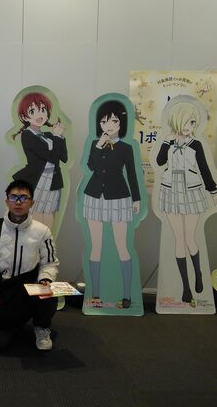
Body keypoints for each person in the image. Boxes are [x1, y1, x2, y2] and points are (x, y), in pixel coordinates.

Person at [0, 179, 59, 351]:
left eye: (23, 197)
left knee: (49, 294)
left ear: (32, 202)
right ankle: (9, 323)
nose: (18, 202)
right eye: (13, 197)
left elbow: (50, 263)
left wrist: (46, 279)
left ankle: (41, 327)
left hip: (27, 290)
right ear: (7, 201)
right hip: (1, 289)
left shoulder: (42, 231)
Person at [156, 101, 217, 303]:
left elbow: (204, 169)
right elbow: (160, 161)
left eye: (193, 122)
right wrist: (166, 142)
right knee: (179, 239)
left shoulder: (196, 144)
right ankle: (186, 287)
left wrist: (214, 192)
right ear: (177, 121)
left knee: (189, 238)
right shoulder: (169, 142)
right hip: (171, 191)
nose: (189, 126)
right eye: (186, 121)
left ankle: (199, 274)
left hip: (191, 191)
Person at [82, 100, 141, 309]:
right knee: (95, 246)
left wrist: (136, 198)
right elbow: (91, 166)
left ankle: (126, 295)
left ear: (121, 123)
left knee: (122, 246)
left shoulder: (126, 148)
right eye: (104, 121)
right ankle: (95, 294)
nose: (108, 125)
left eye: (114, 121)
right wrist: (99, 145)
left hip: (118, 197)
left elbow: (132, 173)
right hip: (94, 196)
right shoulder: (94, 144)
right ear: (99, 123)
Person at [11, 91, 68, 229]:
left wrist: (60, 137)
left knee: (50, 212)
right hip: (38, 180)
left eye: (43, 110)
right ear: (24, 116)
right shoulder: (27, 135)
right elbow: (52, 157)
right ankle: (37, 240)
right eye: (33, 111)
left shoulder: (49, 135)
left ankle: (47, 240)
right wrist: (57, 137)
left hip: (54, 179)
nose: (39, 115)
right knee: (37, 213)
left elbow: (64, 158)